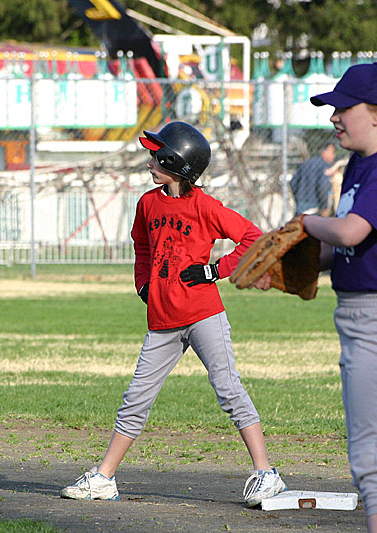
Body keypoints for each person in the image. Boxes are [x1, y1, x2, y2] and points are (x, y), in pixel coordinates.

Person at [60, 121, 287, 507]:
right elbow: (142, 247)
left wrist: (217, 269)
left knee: (228, 388)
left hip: (203, 313)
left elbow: (253, 238)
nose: (150, 162)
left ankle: (266, 474)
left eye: (157, 156)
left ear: (176, 163)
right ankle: (103, 479)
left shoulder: (205, 206)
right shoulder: (148, 203)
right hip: (162, 320)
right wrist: (143, 285)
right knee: (136, 398)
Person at [250, 63, 377, 533]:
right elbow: (350, 246)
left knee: (375, 465)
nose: (333, 117)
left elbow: (350, 229)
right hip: (362, 316)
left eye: (342, 108)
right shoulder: (363, 163)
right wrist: (291, 270)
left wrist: (308, 222)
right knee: (369, 461)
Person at [289, 142, 337, 216]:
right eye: (332, 152)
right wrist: (324, 206)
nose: (334, 156)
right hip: (315, 207)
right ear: (324, 152)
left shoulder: (305, 164)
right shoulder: (324, 165)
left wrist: (298, 197)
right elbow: (323, 186)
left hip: (301, 205)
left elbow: (293, 183)